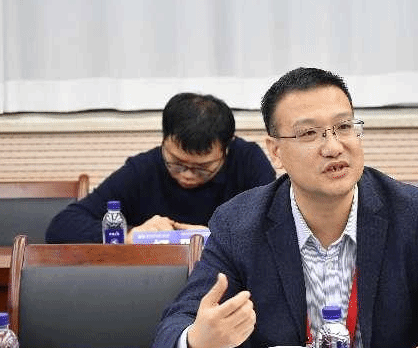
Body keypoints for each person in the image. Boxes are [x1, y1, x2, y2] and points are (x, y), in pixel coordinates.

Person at [153, 67, 418, 348]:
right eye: (309, 133)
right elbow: (176, 325)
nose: (333, 147)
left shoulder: (417, 215)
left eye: (343, 127)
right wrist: (199, 341)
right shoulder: (239, 224)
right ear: (276, 151)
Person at [45, 93, 276, 244]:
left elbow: (273, 228)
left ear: (226, 148)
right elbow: (63, 225)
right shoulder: (143, 169)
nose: (187, 175)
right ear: (164, 140)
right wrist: (129, 235)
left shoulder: (248, 162)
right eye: (176, 163)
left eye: (202, 168)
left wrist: (211, 236)